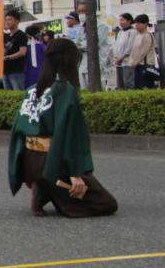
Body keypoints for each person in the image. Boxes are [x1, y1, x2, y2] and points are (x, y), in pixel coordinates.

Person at [8, 38, 117, 218]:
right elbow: (68, 134)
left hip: (28, 161)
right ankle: (50, 188)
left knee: (58, 183)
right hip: (52, 162)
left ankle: (42, 186)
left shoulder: (31, 90)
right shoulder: (65, 91)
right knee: (106, 203)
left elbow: (19, 129)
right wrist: (75, 173)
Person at [130, 14, 159, 89]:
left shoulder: (147, 35)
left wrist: (135, 62)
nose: (136, 25)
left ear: (145, 24)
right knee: (138, 87)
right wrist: (132, 61)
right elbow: (133, 51)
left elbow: (143, 52)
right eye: (135, 23)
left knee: (145, 87)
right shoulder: (137, 36)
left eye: (139, 23)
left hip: (145, 65)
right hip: (137, 66)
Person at [1, 9, 29, 90]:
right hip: (5, 71)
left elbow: (22, 52)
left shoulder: (21, 35)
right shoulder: (6, 36)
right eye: (6, 20)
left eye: (9, 19)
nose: (7, 22)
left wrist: (7, 57)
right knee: (8, 96)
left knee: (18, 95)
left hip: (16, 71)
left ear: (17, 21)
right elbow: (3, 51)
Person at [112, 13, 137, 90]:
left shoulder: (133, 32)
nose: (120, 22)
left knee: (128, 82)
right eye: (120, 20)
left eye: (122, 20)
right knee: (120, 84)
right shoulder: (120, 32)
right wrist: (116, 58)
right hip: (118, 62)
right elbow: (117, 45)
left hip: (127, 61)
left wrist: (122, 57)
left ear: (129, 21)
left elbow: (130, 47)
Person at [23, 25, 47, 89]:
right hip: (42, 74)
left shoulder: (23, 48)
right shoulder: (43, 47)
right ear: (39, 34)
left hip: (27, 74)